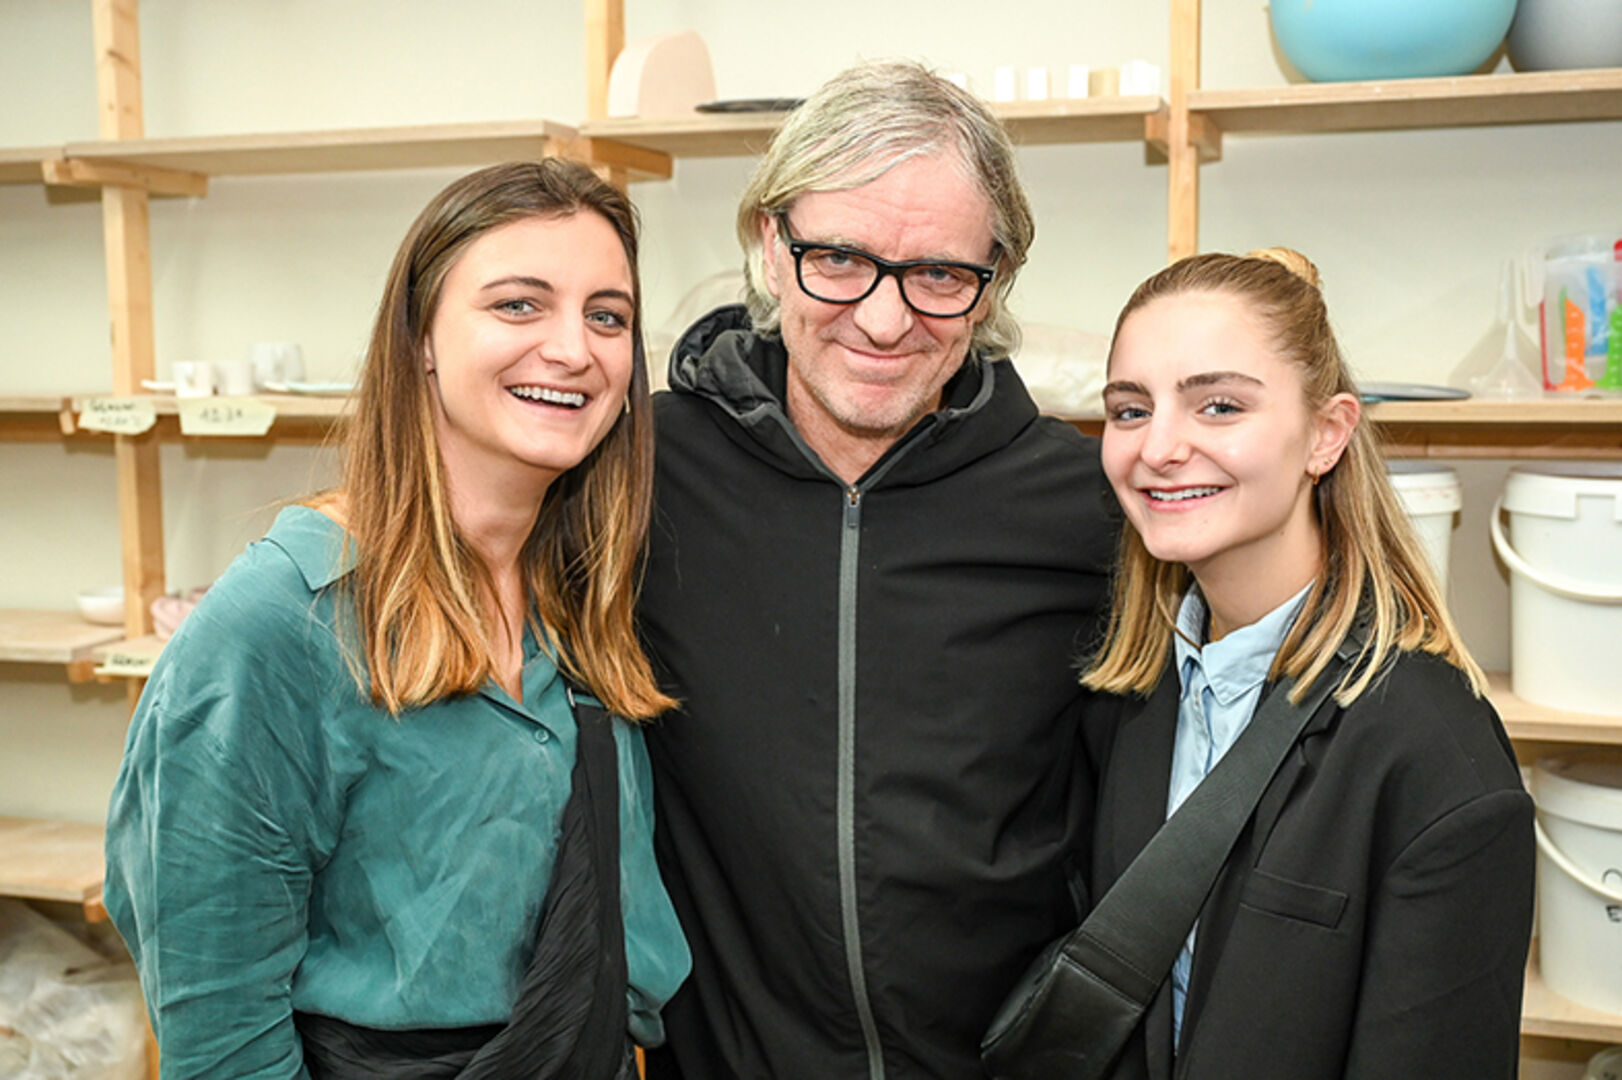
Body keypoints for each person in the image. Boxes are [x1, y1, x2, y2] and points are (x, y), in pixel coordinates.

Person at [103, 159, 690, 1079]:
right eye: (518, 305)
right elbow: (219, 1032)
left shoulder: (584, 595)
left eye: (606, 315)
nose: (574, 349)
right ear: (420, 338)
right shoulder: (279, 627)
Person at [637, 60, 1118, 1080]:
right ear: (770, 248)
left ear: (995, 279)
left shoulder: (1083, 506)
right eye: (840, 259)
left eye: (939, 275)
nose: (885, 320)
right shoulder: (641, 470)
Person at [1079, 249, 1534, 1078]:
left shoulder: (1437, 760)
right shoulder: (1134, 696)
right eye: (1129, 409)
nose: (1161, 447)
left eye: (1218, 406)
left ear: (1326, 434)